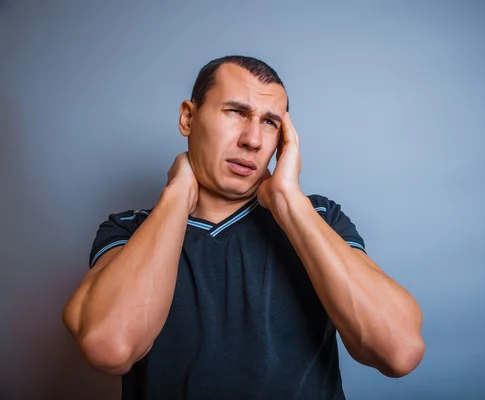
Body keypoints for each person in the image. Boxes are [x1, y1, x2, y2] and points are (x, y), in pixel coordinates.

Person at [62, 55, 425, 400]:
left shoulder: (318, 217)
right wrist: (177, 195)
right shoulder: (128, 230)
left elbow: (398, 350)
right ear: (188, 118)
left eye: (270, 122)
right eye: (236, 112)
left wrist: (287, 201)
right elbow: (110, 347)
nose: (252, 140)